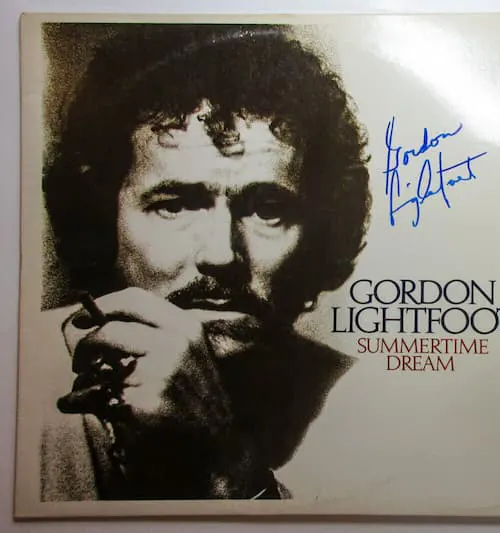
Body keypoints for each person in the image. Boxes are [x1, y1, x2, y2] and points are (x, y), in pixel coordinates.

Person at [38, 24, 371, 501]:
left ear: (321, 232)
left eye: (267, 209)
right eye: (174, 205)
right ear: (101, 218)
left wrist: (227, 470)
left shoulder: (376, 414)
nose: (220, 255)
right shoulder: (19, 380)